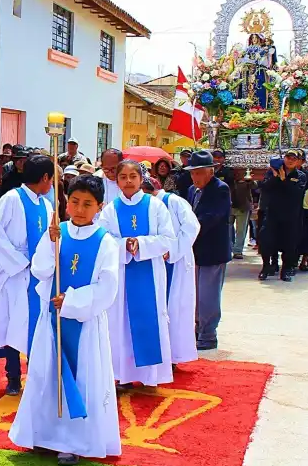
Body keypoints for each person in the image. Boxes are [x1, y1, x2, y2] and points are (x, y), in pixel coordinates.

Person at [8, 175, 121, 466]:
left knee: (82, 377)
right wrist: (50, 241)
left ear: (99, 206)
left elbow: (107, 287)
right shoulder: (58, 232)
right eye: (74, 202)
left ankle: (74, 441)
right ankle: (44, 434)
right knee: (47, 374)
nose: (79, 209)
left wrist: (70, 302)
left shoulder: (106, 242)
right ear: (65, 202)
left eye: (87, 204)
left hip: (84, 325)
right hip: (51, 320)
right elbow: (40, 270)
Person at [98, 160, 175, 385]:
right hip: (121, 274)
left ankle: (149, 376)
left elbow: (168, 238)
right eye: (123, 177)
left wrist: (140, 243)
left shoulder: (156, 206)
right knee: (120, 323)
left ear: (141, 179)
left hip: (150, 271)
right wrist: (123, 245)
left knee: (149, 320)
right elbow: (104, 239)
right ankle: (121, 375)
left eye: (133, 176)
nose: (128, 181)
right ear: (117, 180)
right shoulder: (111, 209)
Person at [0, 155, 55, 395]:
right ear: (45, 178)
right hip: (15, 273)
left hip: (39, 273)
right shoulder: (12, 199)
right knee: (13, 324)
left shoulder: (47, 206)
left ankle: (36, 374)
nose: (51, 185)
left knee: (37, 324)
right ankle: (13, 375)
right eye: (51, 180)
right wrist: (19, 262)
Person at [142, 176, 200, 364]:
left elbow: (192, 227)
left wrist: (172, 251)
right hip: (156, 260)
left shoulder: (173, 202)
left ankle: (174, 355)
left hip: (176, 261)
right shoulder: (148, 206)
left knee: (175, 308)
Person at [185, 151, 232, 351]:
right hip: (194, 250)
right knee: (194, 293)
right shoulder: (191, 190)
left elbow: (212, 217)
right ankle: (197, 329)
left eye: (199, 173)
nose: (195, 178)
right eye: (193, 173)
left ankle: (209, 333)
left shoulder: (221, 189)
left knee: (209, 295)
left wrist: (188, 229)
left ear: (211, 172)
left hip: (213, 250)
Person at [257, 150, 308, 281]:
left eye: (294, 158)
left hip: (291, 216)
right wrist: (277, 178)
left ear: (298, 161)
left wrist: (283, 180)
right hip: (273, 214)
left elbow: (295, 192)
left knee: (289, 244)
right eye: (288, 157)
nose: (290, 160)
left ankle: (286, 270)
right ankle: (266, 267)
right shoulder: (272, 173)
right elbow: (264, 187)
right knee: (266, 241)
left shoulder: (301, 176)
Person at [230, 170, 253, 259]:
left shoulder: (246, 180)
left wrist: (249, 180)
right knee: (227, 229)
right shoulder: (228, 177)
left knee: (241, 230)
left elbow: (255, 186)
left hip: (243, 207)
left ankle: (238, 251)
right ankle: (229, 248)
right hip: (230, 206)